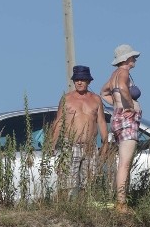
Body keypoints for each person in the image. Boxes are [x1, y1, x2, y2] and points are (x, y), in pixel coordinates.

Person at [48, 65, 109, 198]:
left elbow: (102, 122)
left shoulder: (96, 99)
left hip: (90, 146)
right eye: (77, 80)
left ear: (89, 81)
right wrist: (52, 144)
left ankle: (84, 209)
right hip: (70, 144)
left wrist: (105, 143)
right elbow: (58, 122)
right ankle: (66, 209)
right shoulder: (67, 99)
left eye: (82, 79)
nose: (79, 82)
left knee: (89, 182)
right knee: (67, 182)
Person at [100, 44, 142, 213]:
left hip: (118, 117)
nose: (135, 59)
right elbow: (124, 88)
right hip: (127, 120)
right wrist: (130, 106)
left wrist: (117, 106)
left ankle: (121, 200)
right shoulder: (124, 73)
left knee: (123, 163)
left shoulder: (114, 75)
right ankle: (121, 203)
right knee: (125, 164)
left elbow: (104, 93)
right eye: (133, 57)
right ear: (126, 59)